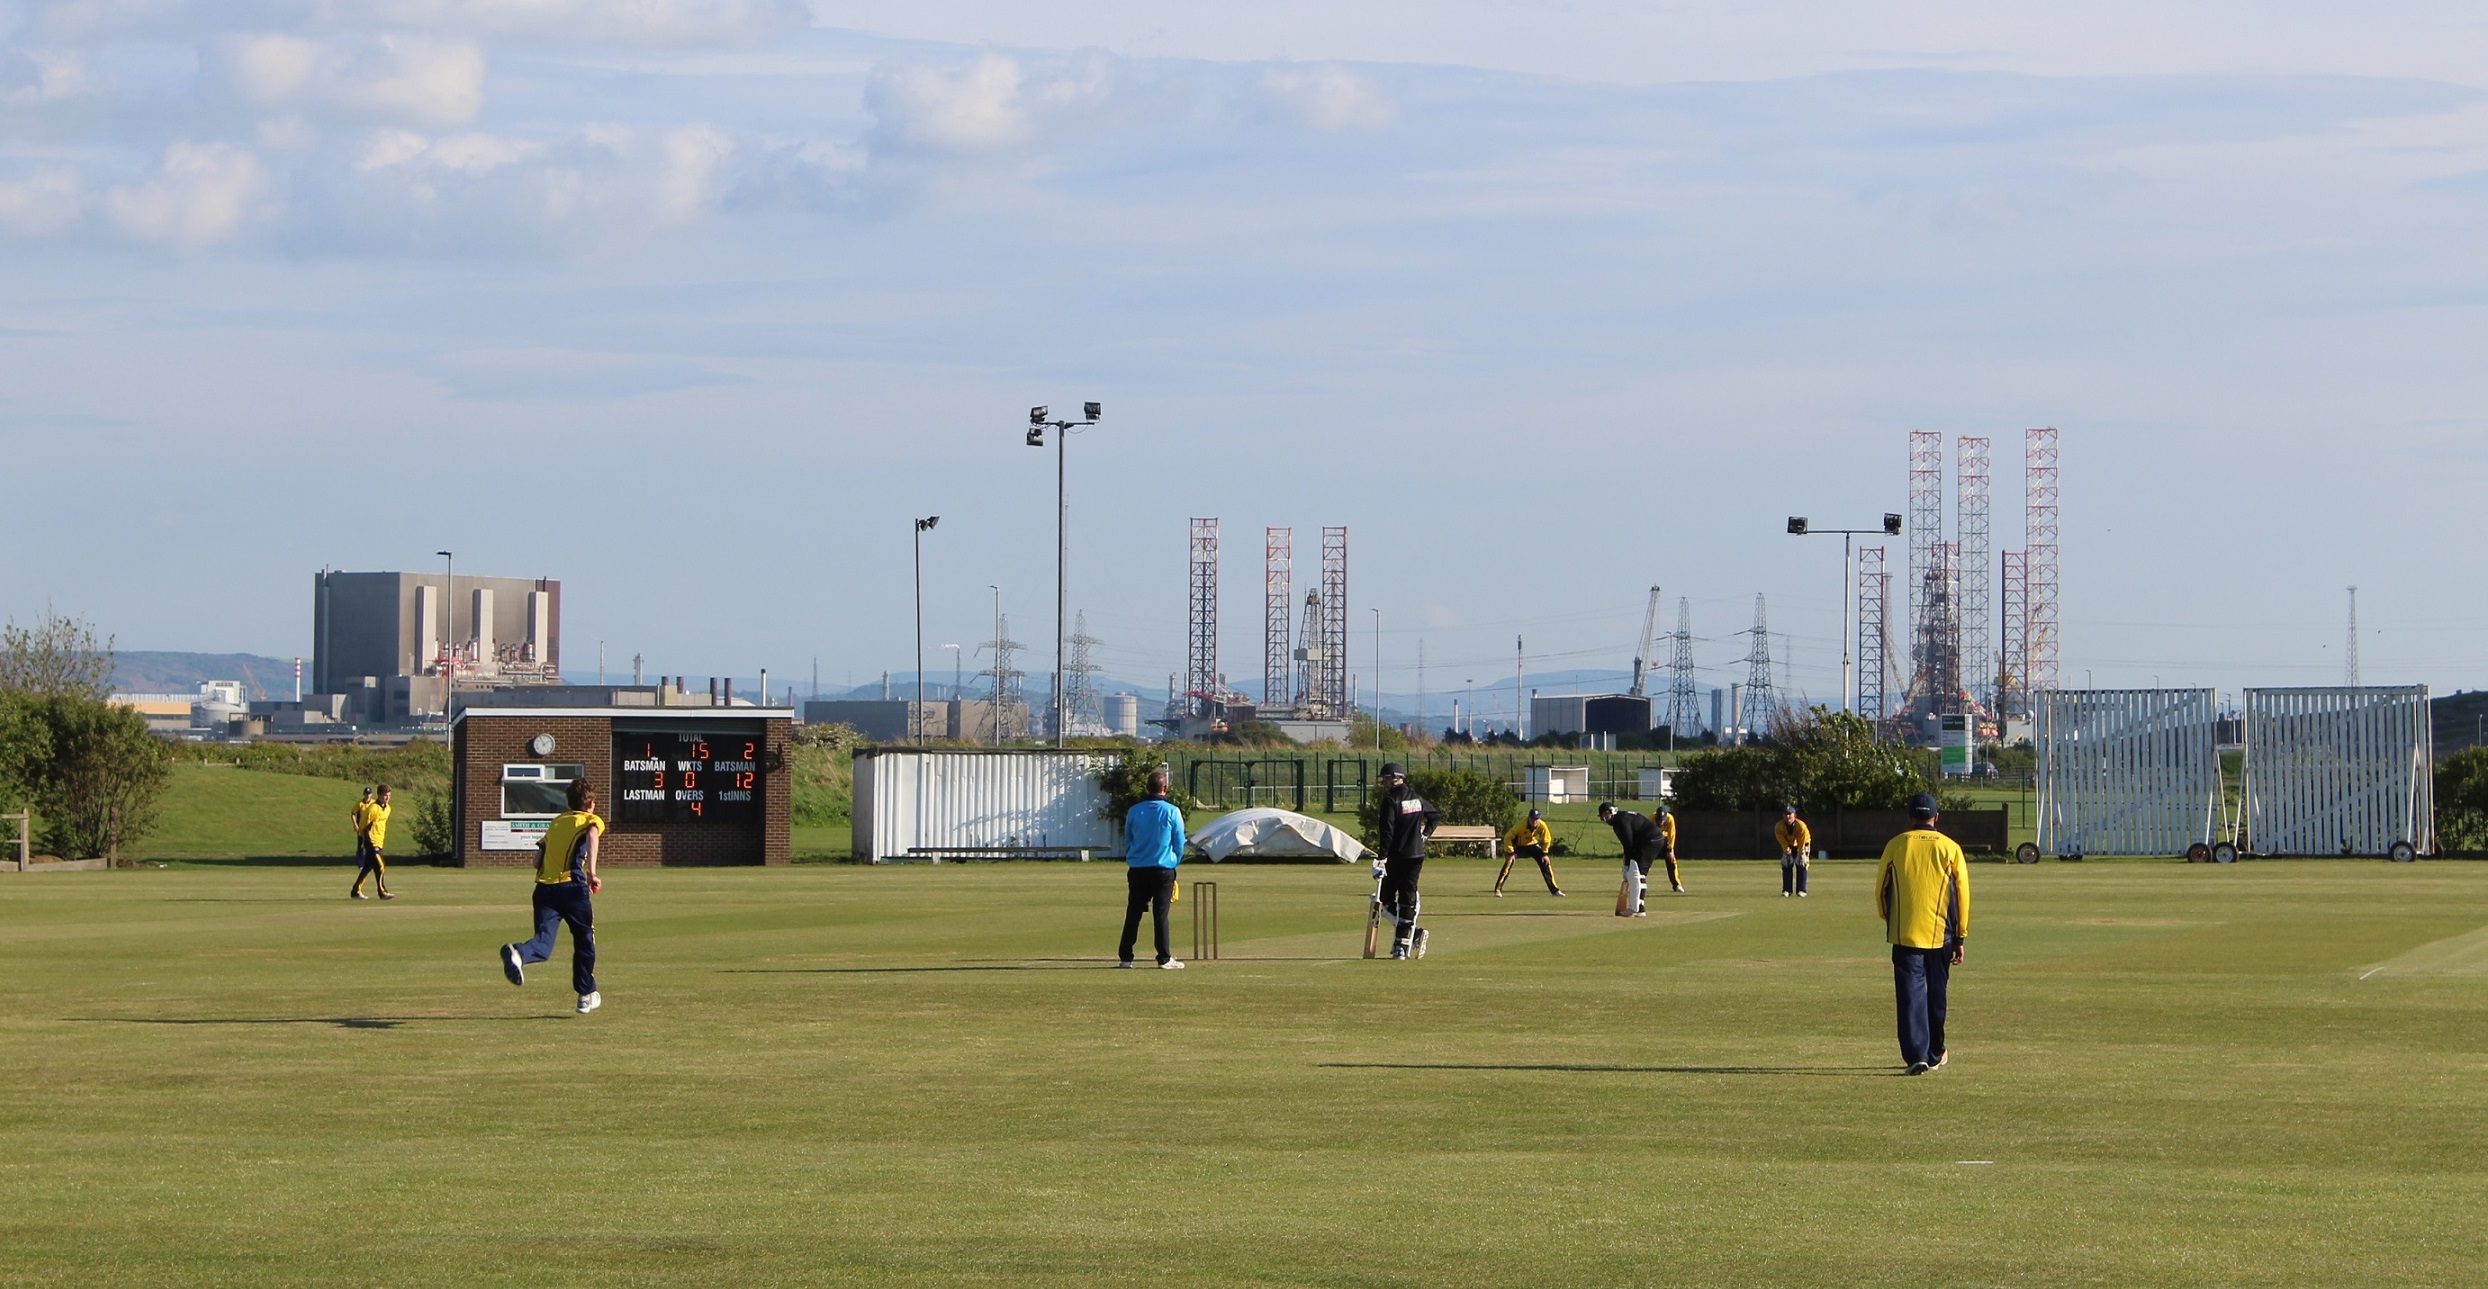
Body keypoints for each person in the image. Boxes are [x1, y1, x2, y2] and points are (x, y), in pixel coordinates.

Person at [1875, 792, 1970, 1074]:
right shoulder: (1950, 847)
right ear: (1936, 817)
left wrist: (1888, 919)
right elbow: (1963, 893)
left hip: (1904, 934)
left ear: (1909, 817)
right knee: (1936, 994)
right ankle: (1936, 1051)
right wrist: (1961, 935)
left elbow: (1880, 888)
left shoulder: (1896, 844)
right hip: (1942, 935)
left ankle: (1917, 1054)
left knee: (1910, 995)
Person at [500, 778, 605, 1014]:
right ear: (590, 804)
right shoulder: (590, 820)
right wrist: (592, 873)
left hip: (544, 890)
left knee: (544, 943)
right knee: (585, 940)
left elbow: (536, 860)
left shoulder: (557, 822)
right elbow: (592, 836)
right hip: (573, 888)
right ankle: (585, 994)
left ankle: (519, 954)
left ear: (568, 802)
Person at [1118, 767, 1187, 969]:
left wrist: (1134, 857)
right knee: (1161, 913)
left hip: (1138, 869)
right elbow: (1179, 842)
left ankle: (1125, 957)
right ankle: (1164, 958)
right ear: (1165, 788)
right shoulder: (1172, 811)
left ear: (1148, 787)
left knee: (1134, 912)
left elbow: (1128, 838)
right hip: (1162, 869)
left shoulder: (1134, 810)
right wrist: (1175, 861)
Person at [1375, 762, 1441, 959]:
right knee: (1407, 900)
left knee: (1384, 901)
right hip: (1416, 855)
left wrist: (1381, 858)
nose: (1384, 782)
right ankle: (1402, 947)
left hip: (1397, 856)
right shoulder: (1415, 797)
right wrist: (1424, 835)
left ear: (1396, 778)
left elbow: (1387, 832)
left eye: (1386, 778)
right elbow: (1435, 816)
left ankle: (1413, 935)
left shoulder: (1390, 800)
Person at [1598, 802, 1673, 916]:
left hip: (1650, 841)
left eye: (1606, 815)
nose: (1605, 819)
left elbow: (1629, 844)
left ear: (1612, 811)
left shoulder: (1621, 821)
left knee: (1634, 872)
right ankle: (1640, 908)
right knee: (1640, 874)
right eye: (1602, 817)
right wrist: (1626, 863)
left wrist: (1626, 865)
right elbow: (1629, 845)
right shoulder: (1620, 819)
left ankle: (1635, 909)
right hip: (1654, 840)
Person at [1496, 808, 1562, 897]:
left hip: (1532, 846)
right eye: (1532, 819)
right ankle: (1498, 889)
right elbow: (1508, 837)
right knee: (1509, 861)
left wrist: (1544, 853)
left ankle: (1555, 891)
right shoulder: (1521, 825)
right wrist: (1510, 852)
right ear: (1529, 818)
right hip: (1519, 847)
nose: (1534, 821)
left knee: (1545, 862)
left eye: (1536, 819)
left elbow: (1547, 839)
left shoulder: (1542, 825)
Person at [350, 783, 394, 901]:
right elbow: (363, 825)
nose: (388, 798)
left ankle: (355, 891)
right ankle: (382, 892)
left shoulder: (388, 808)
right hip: (371, 841)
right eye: (385, 795)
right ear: (379, 795)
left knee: (368, 867)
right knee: (380, 865)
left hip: (379, 841)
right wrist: (364, 837)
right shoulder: (372, 809)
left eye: (389, 795)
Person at [1776, 804, 1813, 897]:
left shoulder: (1801, 826)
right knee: (1786, 863)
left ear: (1794, 815)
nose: (1787, 816)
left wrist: (1801, 853)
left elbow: (1802, 840)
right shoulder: (1778, 826)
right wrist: (1787, 851)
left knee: (1802, 863)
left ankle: (1802, 890)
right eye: (1785, 814)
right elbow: (1782, 840)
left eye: (1790, 814)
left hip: (1804, 843)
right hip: (1789, 844)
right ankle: (1787, 890)